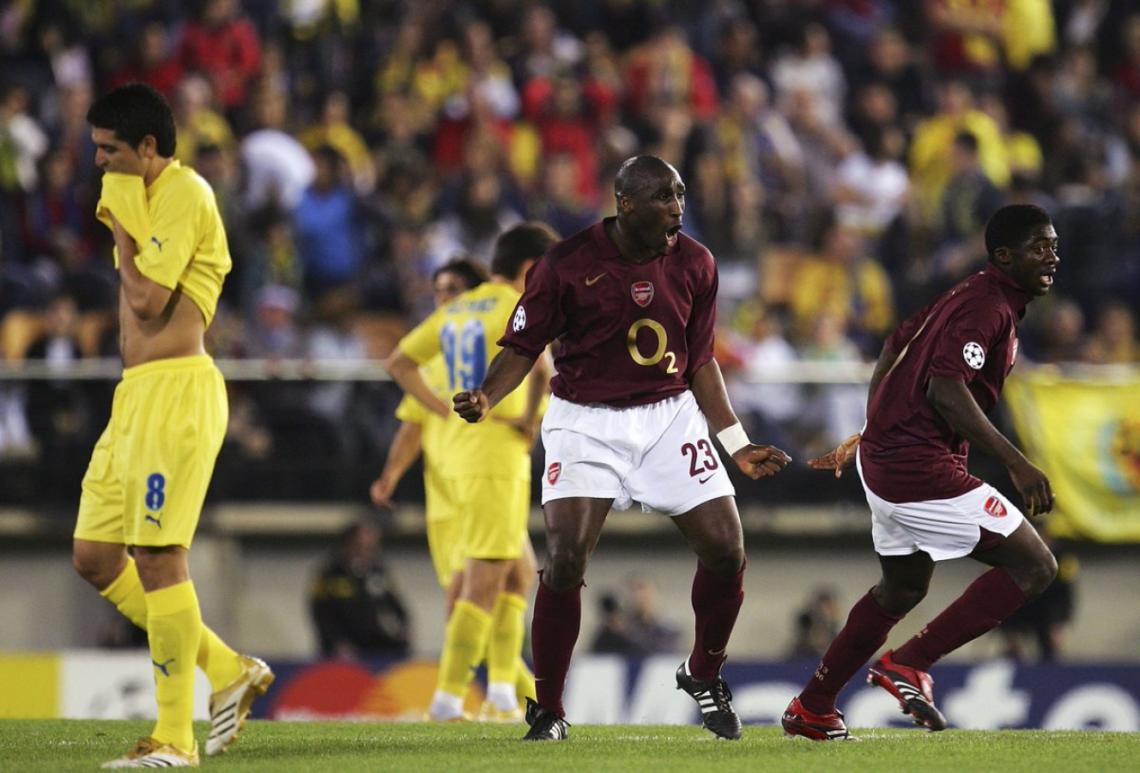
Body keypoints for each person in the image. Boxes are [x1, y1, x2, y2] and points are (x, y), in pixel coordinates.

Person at [454, 155, 792, 741]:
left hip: (668, 418)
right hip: (585, 420)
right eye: (665, 197)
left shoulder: (697, 263)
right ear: (626, 203)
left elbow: (701, 360)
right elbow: (523, 343)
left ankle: (704, 672)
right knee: (565, 559)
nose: (678, 208)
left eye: (682, 194)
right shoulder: (567, 264)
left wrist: (734, 443)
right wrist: (487, 396)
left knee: (726, 551)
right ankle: (550, 709)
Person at [781, 204, 1061, 741]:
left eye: (1054, 247)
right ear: (1003, 256)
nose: (1052, 257)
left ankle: (813, 706)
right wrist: (1016, 462)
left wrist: (873, 426)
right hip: (916, 465)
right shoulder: (989, 306)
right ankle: (909, 662)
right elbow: (946, 388)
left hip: (888, 457)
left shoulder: (970, 293)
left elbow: (893, 344)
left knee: (902, 586)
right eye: (1038, 248)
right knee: (1035, 565)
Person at [72, 83, 273, 768]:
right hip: (135, 396)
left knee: (159, 557)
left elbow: (148, 299)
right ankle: (229, 668)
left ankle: (174, 739)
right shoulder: (140, 192)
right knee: (96, 556)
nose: (99, 163)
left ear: (148, 148)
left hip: (178, 392)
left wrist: (121, 219)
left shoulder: (184, 193)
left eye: (109, 150)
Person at [385, 223, 558, 723]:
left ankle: (504, 691)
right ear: (530, 269)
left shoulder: (458, 308)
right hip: (494, 451)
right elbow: (542, 368)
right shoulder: (514, 304)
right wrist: (528, 421)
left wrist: (438, 409)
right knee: (484, 577)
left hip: (457, 457)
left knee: (518, 571)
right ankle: (448, 700)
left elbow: (399, 361)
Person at [309, 519, 411, 660]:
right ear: (351, 543)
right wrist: (336, 642)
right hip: (343, 647)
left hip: (374, 643)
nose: (371, 548)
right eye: (366, 544)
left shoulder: (377, 572)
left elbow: (395, 603)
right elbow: (320, 613)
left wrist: (403, 628)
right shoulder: (332, 573)